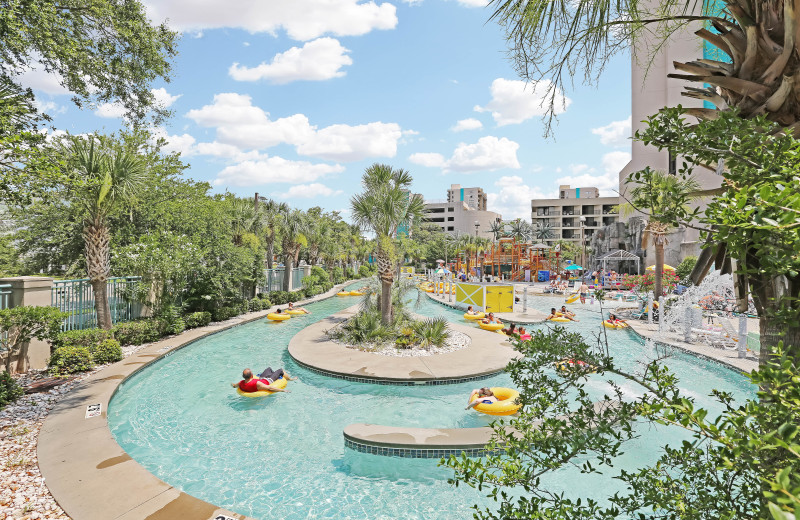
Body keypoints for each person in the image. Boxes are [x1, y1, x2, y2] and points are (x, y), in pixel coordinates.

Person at [232, 367, 297, 394]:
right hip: (269, 380)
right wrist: (283, 390)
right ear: (251, 376)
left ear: (243, 377)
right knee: (280, 370)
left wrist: (232, 384)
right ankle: (291, 379)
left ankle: (274, 374)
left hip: (262, 378)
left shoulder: (241, 383)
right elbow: (270, 388)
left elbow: (234, 386)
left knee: (269, 369)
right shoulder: (257, 383)